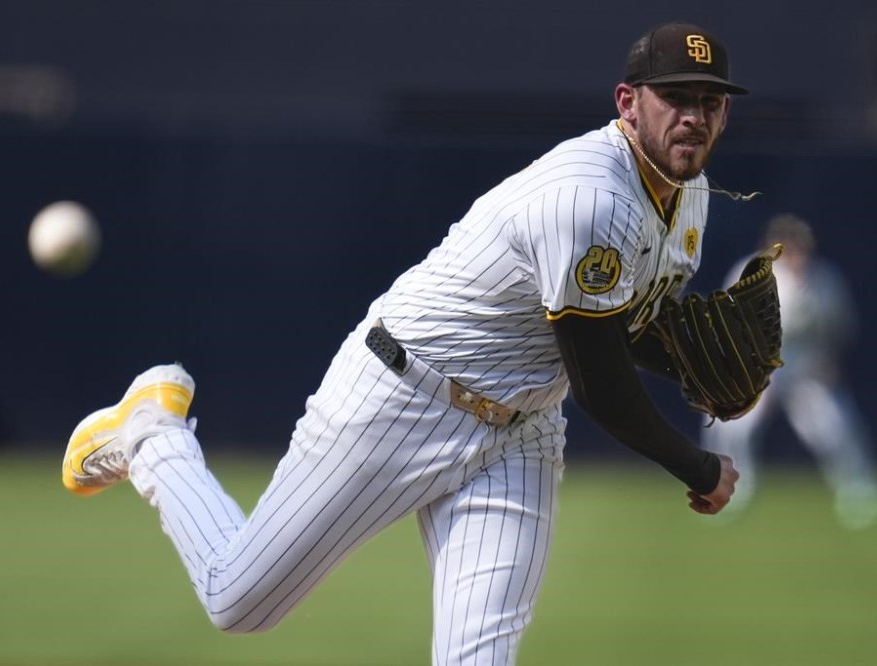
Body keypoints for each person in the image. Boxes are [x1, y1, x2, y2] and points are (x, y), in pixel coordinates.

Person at [62, 22, 746, 664]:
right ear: (629, 103)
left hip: (519, 434)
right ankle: (156, 434)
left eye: (711, 101)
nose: (694, 115)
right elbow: (599, 382)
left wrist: (698, 366)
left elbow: (626, 322)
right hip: (402, 397)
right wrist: (696, 464)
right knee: (237, 601)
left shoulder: (691, 191)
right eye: (676, 97)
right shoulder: (589, 196)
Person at [701, 214, 877, 529]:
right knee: (731, 426)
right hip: (757, 363)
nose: (794, 253)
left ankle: (857, 490)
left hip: (804, 364)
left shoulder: (825, 279)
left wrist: (828, 364)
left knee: (832, 425)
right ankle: (730, 491)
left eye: (799, 246)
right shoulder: (748, 272)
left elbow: (839, 329)